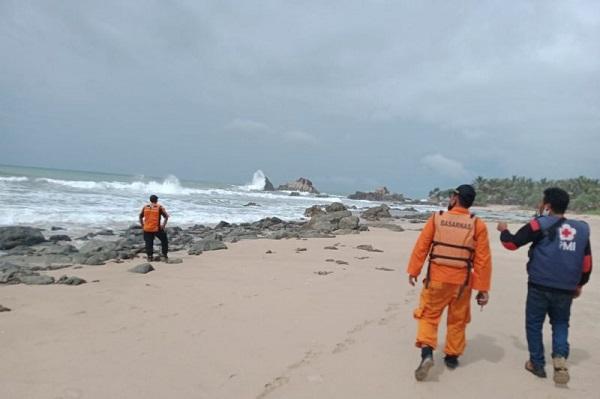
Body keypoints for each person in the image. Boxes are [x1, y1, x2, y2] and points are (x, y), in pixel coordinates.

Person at [497, 187, 592, 384]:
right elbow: (587, 263)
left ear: (547, 205)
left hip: (539, 285)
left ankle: (536, 364)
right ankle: (559, 357)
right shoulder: (582, 229)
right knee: (560, 323)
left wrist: (503, 230)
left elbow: (512, 244)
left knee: (534, 324)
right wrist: (580, 285)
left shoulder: (538, 224)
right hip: (566, 288)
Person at [407, 184, 492, 381]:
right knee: (457, 319)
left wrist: (414, 270)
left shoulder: (437, 218)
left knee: (428, 316)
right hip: (462, 283)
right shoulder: (477, 224)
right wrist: (483, 289)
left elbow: (422, 246)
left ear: (455, 198)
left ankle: (427, 354)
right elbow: (483, 260)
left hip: (436, 279)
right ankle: (452, 356)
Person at [139, 194, 169, 261]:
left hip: (147, 228)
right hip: (156, 228)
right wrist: (163, 226)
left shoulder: (145, 207)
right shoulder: (159, 207)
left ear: (150, 200)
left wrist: (142, 225)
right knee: (164, 241)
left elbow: (140, 216)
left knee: (148, 243)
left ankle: (150, 257)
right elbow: (166, 217)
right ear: (156, 200)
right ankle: (164, 255)